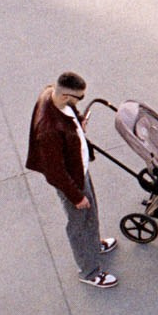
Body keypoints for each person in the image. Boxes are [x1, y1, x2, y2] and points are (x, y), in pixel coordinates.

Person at [25, 72, 117, 288]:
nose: (80, 101)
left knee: (91, 212)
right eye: (80, 98)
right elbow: (54, 172)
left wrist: (79, 122)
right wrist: (76, 196)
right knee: (79, 223)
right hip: (71, 180)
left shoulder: (52, 94)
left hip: (79, 169)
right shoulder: (48, 129)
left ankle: (93, 246)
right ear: (66, 95)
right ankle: (89, 271)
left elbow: (70, 113)